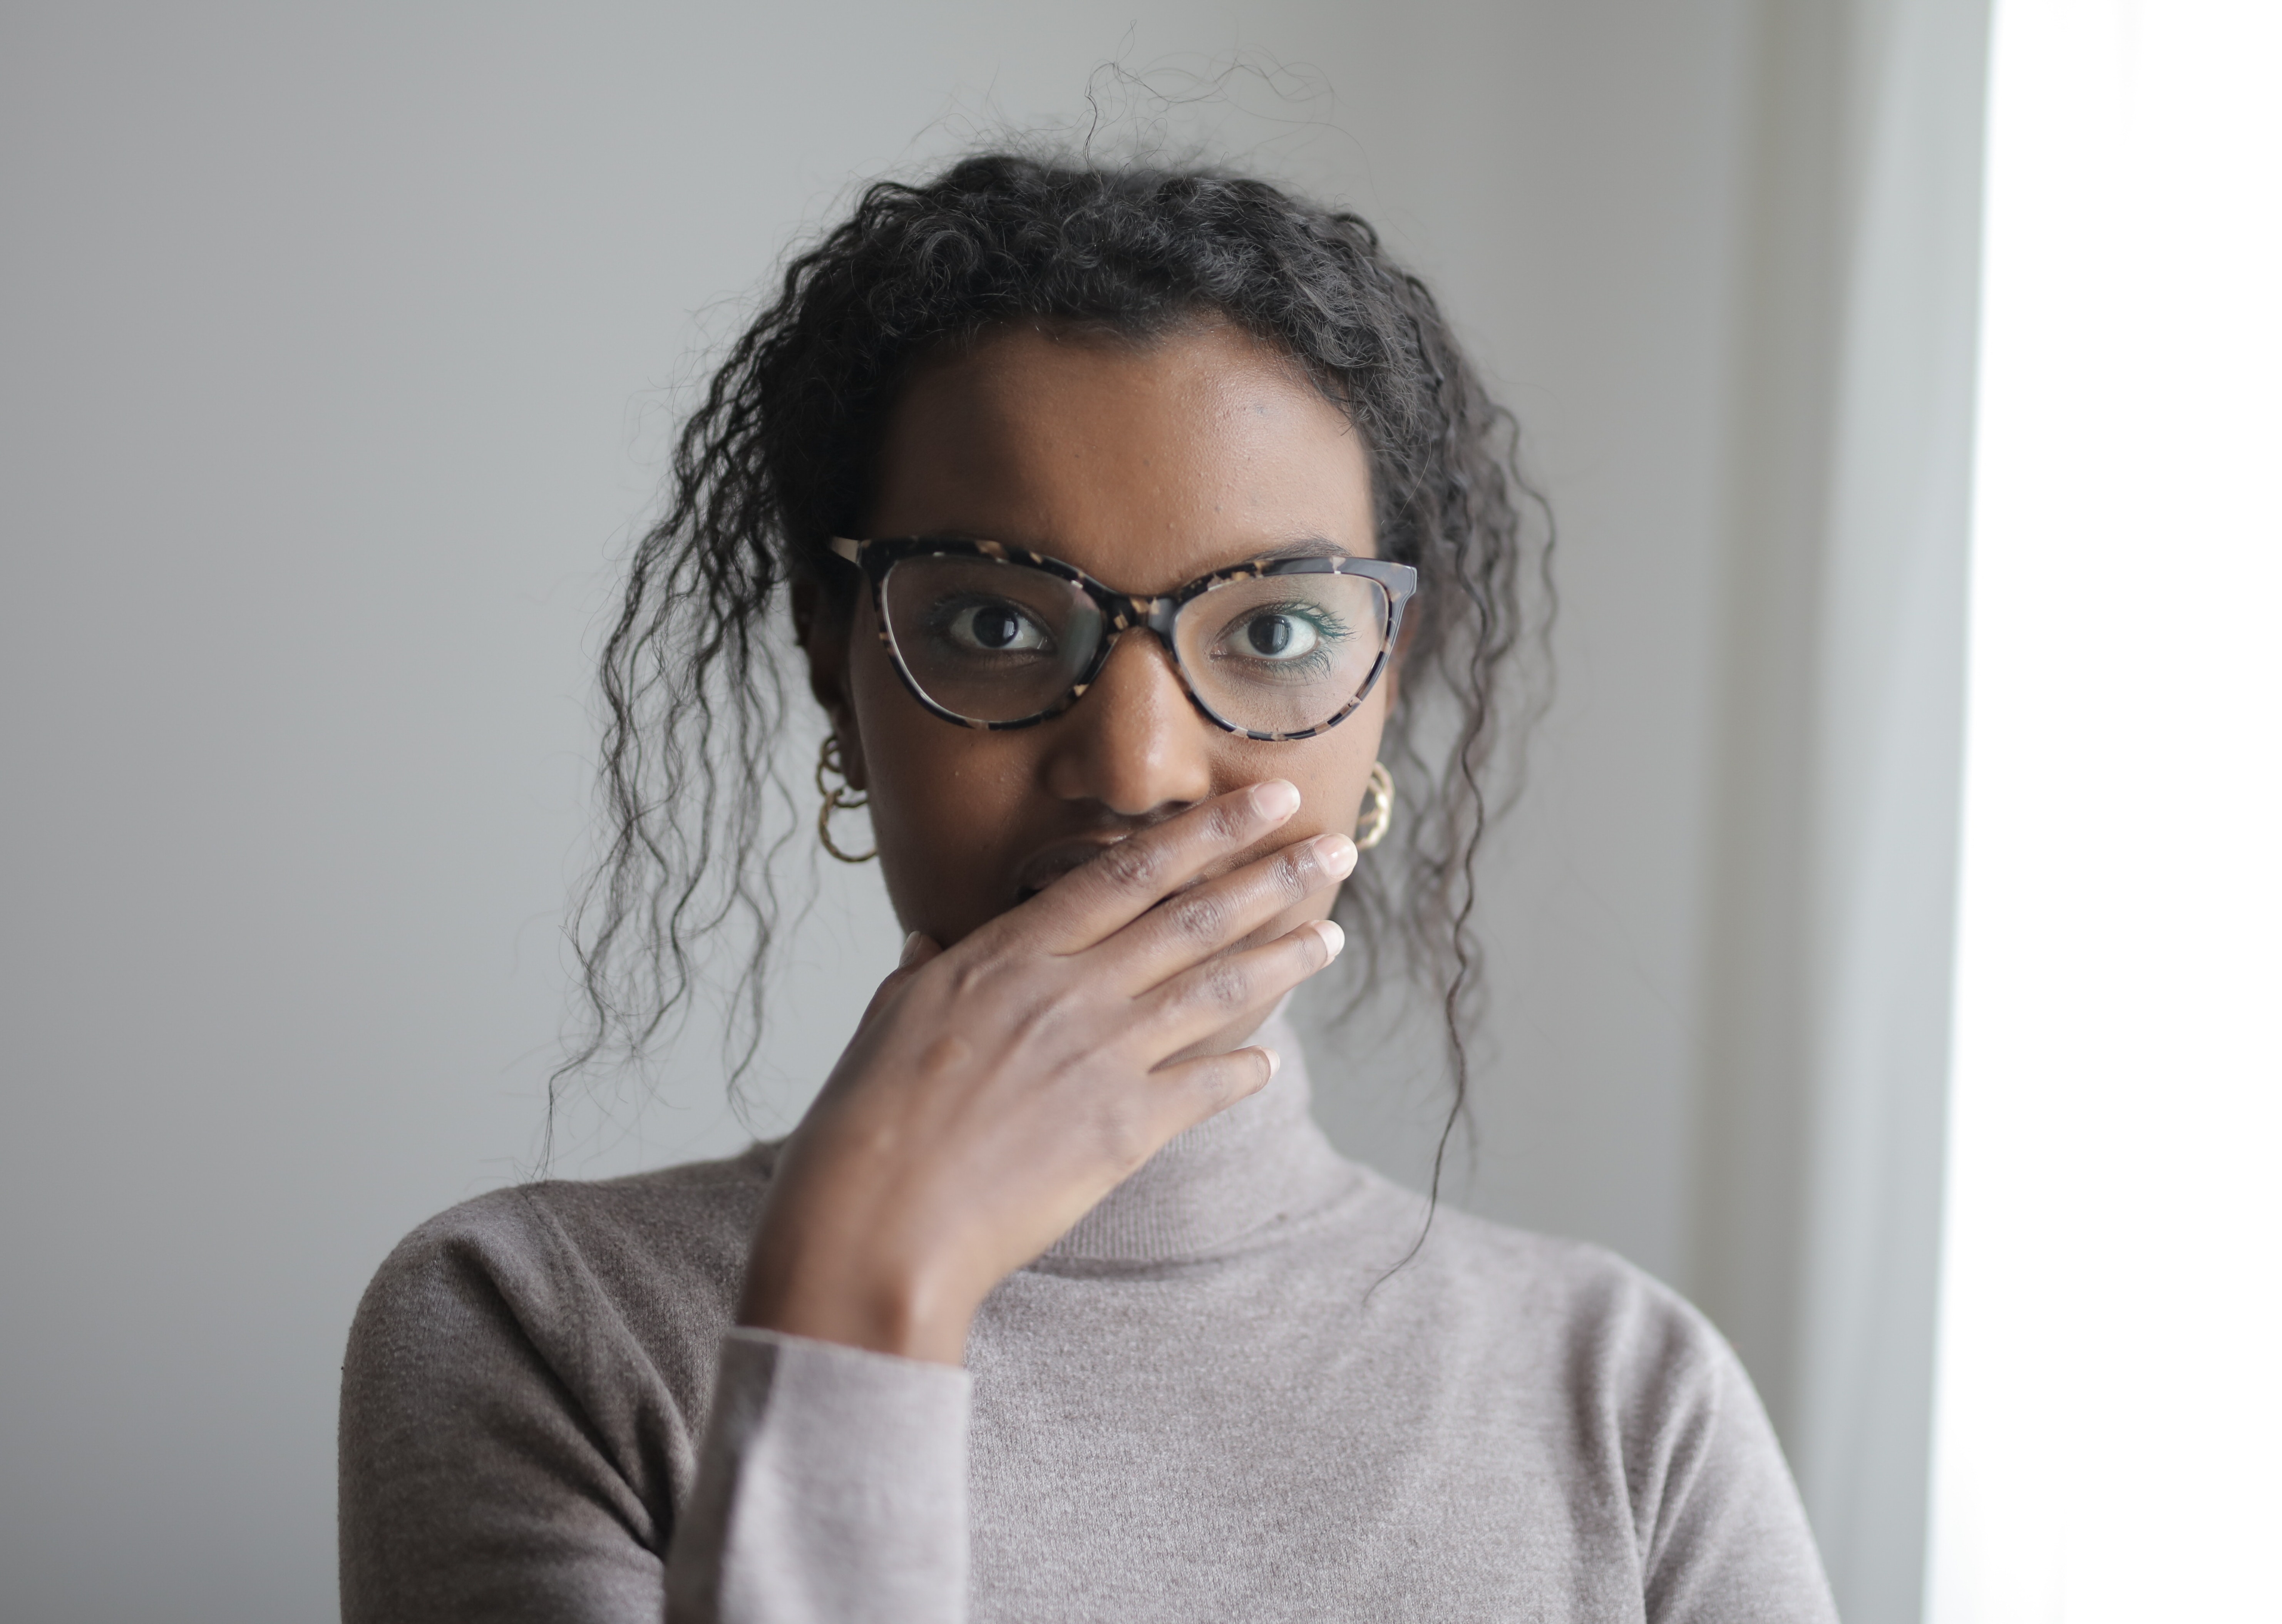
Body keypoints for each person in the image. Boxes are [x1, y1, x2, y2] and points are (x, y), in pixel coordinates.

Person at [338, 152, 1838, 1624]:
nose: (1135, 764)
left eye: (1275, 631)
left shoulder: (1629, 1397)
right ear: (832, 657)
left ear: (1391, 678)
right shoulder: (535, 1327)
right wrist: (863, 1290)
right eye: (996, 617)